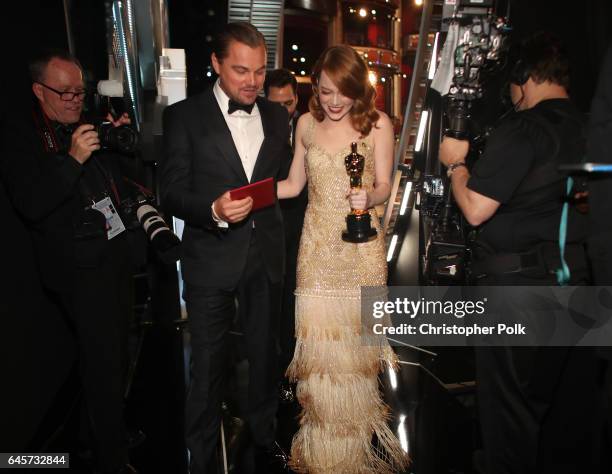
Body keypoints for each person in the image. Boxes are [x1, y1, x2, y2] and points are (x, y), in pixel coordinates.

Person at [439, 32, 606, 473]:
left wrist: (456, 164)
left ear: (524, 80)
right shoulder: (594, 127)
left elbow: (475, 209)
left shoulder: (525, 128)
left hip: (519, 296)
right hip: (583, 294)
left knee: (509, 426)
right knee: (568, 426)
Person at [159, 22, 291, 474]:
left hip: (264, 256)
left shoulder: (278, 116)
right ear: (215, 64)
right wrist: (212, 208)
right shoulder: (183, 117)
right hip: (210, 259)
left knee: (264, 356)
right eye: (240, 70)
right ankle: (201, 454)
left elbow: (280, 182)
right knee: (209, 366)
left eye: (259, 70)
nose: (252, 81)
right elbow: (170, 192)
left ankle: (264, 433)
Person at [1, 50, 137, 473]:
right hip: (76, 270)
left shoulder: (82, 121)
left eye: (80, 91)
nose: (75, 100)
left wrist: (114, 140)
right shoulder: (21, 135)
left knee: (115, 357)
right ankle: (110, 458)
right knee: (100, 366)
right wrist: (74, 158)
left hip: (111, 256)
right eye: (65, 93)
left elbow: (114, 183)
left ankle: (100, 437)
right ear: (39, 91)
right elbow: (33, 203)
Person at [277, 45, 408, 473]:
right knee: (319, 364)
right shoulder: (306, 125)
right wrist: (238, 193)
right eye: (327, 91)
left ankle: (351, 458)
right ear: (315, 86)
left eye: (344, 93)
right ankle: (322, 458)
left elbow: (385, 184)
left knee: (354, 363)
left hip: (360, 252)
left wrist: (368, 195)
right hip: (316, 251)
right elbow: (293, 185)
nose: (334, 102)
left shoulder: (377, 125)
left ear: (359, 91)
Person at [264, 68, 307, 394]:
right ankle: (278, 374)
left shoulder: (309, 124)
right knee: (274, 302)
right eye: (276, 103)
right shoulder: (257, 128)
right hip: (270, 223)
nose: (283, 110)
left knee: (299, 299)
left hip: (306, 224)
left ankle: (299, 370)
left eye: (289, 102)